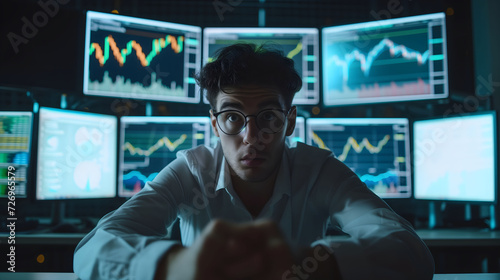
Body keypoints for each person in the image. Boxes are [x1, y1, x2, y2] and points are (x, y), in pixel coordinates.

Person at [73, 43, 434, 280]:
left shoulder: (319, 171)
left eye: (269, 118)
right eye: (232, 117)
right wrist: (173, 266)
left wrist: (316, 264)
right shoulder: (191, 171)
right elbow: (93, 247)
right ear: (214, 123)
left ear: (289, 121)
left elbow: (409, 250)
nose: (251, 136)